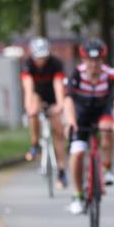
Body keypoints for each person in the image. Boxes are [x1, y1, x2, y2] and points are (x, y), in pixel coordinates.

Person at [63, 39, 114, 215]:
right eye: (89, 60)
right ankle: (77, 195)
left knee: (107, 128)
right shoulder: (75, 75)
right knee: (77, 153)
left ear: (102, 60)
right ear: (83, 60)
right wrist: (70, 122)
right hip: (81, 115)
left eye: (97, 60)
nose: (93, 64)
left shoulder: (113, 75)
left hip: (102, 111)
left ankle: (107, 167)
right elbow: (68, 100)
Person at [21, 37, 69, 188]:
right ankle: (35, 144)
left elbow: (58, 86)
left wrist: (60, 105)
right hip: (38, 94)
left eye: (43, 57)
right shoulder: (28, 65)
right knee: (33, 110)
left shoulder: (55, 64)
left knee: (58, 133)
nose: (41, 60)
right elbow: (28, 88)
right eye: (38, 57)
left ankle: (61, 172)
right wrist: (29, 108)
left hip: (53, 95)